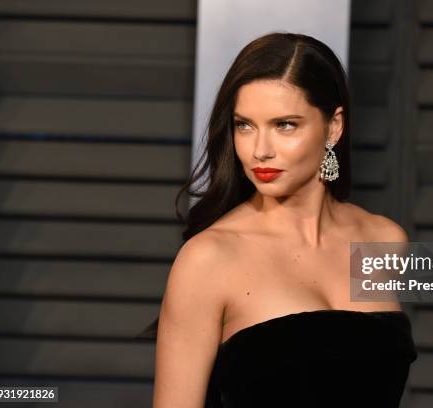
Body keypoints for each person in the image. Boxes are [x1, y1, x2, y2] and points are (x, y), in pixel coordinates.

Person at [141, 31, 418, 408]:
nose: (260, 150)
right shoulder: (208, 259)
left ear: (333, 127)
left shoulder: (385, 239)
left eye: (284, 125)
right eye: (245, 125)